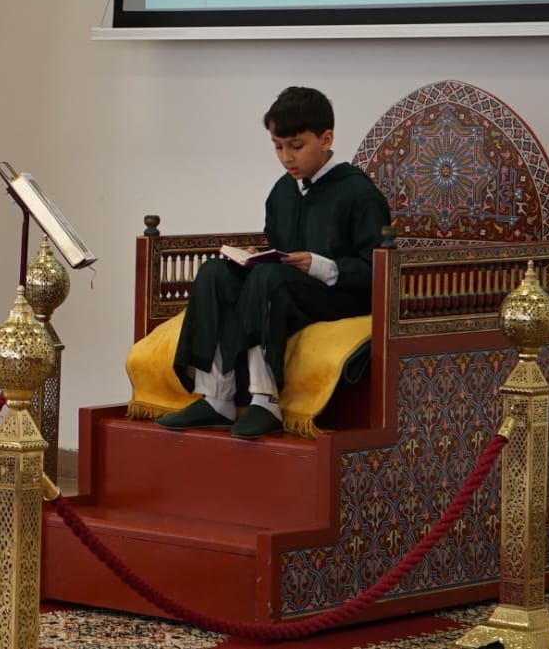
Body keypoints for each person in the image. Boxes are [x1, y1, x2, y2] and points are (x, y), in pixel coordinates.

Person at [160, 86, 392, 439]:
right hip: (284, 290)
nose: (286, 157)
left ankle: (265, 400)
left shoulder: (359, 193)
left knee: (269, 277)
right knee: (215, 272)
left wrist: (319, 264)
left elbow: (375, 270)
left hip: (339, 296)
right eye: (278, 147)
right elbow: (278, 249)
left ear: (326, 139)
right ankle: (216, 397)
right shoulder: (282, 191)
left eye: (296, 146)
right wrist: (255, 258)